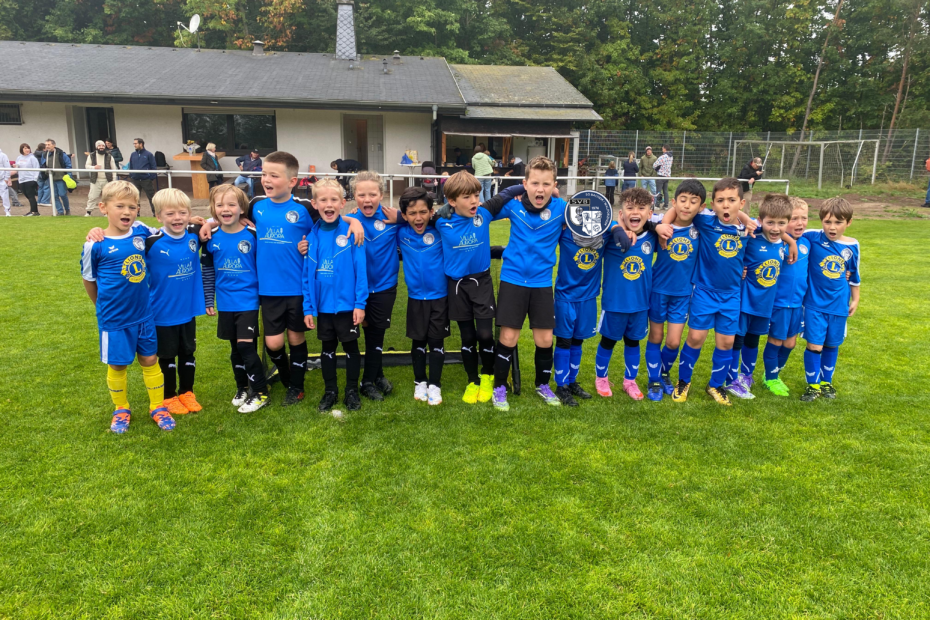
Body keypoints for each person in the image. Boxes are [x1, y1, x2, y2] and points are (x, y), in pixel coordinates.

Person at [202, 151, 363, 407]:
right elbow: (228, 214)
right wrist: (208, 224)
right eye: (264, 174)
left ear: (292, 181)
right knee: (273, 343)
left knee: (296, 338)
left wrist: (354, 221)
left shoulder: (304, 207)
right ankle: (286, 374)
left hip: (297, 287)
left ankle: (296, 387)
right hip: (268, 289)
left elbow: (330, 214)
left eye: (274, 175)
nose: (266, 179)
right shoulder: (256, 205)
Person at [80, 180, 173, 433]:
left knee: (150, 359)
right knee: (118, 364)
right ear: (103, 208)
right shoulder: (95, 244)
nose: (127, 212)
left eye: (132, 207)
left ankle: (158, 407)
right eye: (119, 206)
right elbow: (88, 279)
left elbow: (169, 229)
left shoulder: (141, 231)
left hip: (144, 314)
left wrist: (200, 222)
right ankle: (121, 409)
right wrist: (100, 306)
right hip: (114, 318)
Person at [433, 171, 523, 404]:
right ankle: (472, 380)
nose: (474, 201)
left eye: (476, 194)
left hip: (481, 282)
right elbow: (414, 217)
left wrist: (534, 188)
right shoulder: (440, 220)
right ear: (451, 201)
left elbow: (508, 192)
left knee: (485, 334)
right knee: (468, 336)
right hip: (457, 286)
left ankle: (487, 375)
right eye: (467, 197)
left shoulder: (484, 212)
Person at [662, 178, 755, 406]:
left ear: (741, 203)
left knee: (726, 342)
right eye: (720, 201)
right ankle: (683, 382)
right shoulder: (705, 221)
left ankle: (715, 385)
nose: (726, 205)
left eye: (731, 200)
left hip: (731, 295)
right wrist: (663, 223)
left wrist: (791, 243)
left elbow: (776, 231)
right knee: (695, 338)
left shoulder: (749, 229)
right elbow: (678, 210)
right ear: (712, 205)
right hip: (704, 291)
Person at [488, 156, 568, 411]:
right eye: (534, 183)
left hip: (542, 283)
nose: (540, 189)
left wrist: (619, 229)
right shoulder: (513, 206)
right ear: (525, 184)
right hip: (513, 280)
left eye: (546, 184)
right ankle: (500, 387)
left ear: (554, 185)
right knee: (508, 337)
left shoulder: (562, 208)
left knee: (544, 340)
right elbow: (482, 212)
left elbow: (595, 219)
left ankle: (542, 385)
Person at [134, 188, 206, 416]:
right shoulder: (150, 242)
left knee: (188, 353)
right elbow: (124, 234)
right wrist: (96, 231)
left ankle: (187, 392)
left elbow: (219, 223)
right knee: (166, 356)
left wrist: (206, 222)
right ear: (158, 216)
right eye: (170, 213)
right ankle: (169, 396)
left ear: (189, 214)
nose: (177, 218)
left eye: (183, 213)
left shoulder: (194, 234)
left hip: (188, 310)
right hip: (161, 312)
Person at [552, 202, 632, 406]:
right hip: (565, 296)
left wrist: (617, 227)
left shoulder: (603, 236)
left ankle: (571, 381)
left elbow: (610, 223)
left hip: (588, 297)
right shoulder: (565, 232)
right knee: (564, 342)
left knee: (578, 341)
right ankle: (561, 386)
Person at [200, 184, 268, 413]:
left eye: (231, 204)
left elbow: (264, 267)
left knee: (246, 346)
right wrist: (208, 299)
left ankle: (260, 392)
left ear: (242, 209)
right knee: (235, 349)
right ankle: (242, 388)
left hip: (248, 300)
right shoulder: (210, 238)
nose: (225, 209)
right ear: (213, 209)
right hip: (225, 302)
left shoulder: (253, 234)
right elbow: (208, 272)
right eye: (220, 205)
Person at [303, 178, 369, 412]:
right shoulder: (311, 237)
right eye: (323, 200)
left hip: (347, 306)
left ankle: (351, 391)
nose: (328, 204)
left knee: (351, 348)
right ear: (315, 204)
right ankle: (330, 391)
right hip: (323, 308)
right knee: (327, 349)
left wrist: (360, 304)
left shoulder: (352, 232)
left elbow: (361, 271)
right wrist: (308, 308)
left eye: (334, 200)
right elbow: (306, 276)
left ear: (342, 203)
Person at [725, 194, 793, 400]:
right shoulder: (752, 236)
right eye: (770, 223)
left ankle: (746, 376)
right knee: (737, 340)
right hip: (745, 300)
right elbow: (735, 215)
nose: (775, 228)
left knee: (753, 340)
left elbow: (783, 235)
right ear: (760, 220)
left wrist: (791, 241)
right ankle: (730, 380)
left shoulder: (783, 243)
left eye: (781, 223)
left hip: (764, 303)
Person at [643, 179, 706, 401]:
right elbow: (637, 220)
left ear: (701, 207)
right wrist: (659, 226)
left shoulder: (701, 228)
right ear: (674, 202)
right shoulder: (660, 224)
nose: (687, 206)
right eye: (683, 200)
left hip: (683, 293)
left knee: (673, 342)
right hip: (658, 290)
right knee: (656, 336)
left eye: (693, 202)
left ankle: (663, 373)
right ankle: (654, 380)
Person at [594, 187, 658, 400]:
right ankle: (601, 378)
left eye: (641, 208)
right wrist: (615, 227)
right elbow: (596, 224)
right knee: (608, 342)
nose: (635, 212)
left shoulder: (652, 237)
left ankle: (629, 381)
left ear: (649, 213)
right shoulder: (611, 236)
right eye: (630, 208)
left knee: (633, 343)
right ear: (621, 213)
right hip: (615, 304)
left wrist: (658, 225)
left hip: (640, 304)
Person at [345, 171, 400, 402]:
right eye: (361, 195)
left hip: (385, 287)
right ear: (354, 196)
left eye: (372, 194)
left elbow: (423, 219)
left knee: (377, 334)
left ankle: (368, 381)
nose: (367, 199)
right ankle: (375, 376)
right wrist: (350, 220)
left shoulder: (392, 218)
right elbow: (326, 223)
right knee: (368, 333)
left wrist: (401, 217)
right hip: (359, 289)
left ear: (382, 194)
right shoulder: (349, 220)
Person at [799, 197, 860, 402]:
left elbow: (855, 275)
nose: (832, 227)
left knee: (832, 345)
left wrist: (855, 299)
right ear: (821, 221)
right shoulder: (812, 236)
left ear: (848, 222)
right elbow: (788, 232)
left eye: (838, 222)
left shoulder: (853, 246)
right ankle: (813, 385)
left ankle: (826, 382)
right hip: (814, 304)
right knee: (814, 345)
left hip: (839, 305)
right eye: (827, 222)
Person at [397, 186, 448, 405]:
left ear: (431, 212)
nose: (418, 218)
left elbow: (456, 217)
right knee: (418, 341)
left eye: (423, 212)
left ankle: (435, 385)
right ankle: (420, 381)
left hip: (440, 297)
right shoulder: (400, 233)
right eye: (412, 213)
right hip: (416, 297)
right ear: (404, 215)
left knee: (436, 341)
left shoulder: (440, 230)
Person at [763, 196, 811, 396]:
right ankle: (771, 378)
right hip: (779, 304)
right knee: (775, 341)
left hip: (797, 304)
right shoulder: (775, 243)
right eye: (794, 219)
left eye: (804, 218)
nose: (800, 223)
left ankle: (775, 372)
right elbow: (759, 225)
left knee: (790, 344)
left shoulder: (808, 242)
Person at [84, 140, 119, 216]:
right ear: (96, 147)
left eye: (103, 146)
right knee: (92, 196)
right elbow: (87, 166)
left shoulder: (109, 156)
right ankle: (88, 212)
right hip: (95, 180)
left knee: (107, 197)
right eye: (99, 146)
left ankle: (106, 212)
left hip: (107, 180)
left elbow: (114, 169)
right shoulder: (91, 156)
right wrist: (94, 167)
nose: (101, 147)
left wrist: (113, 180)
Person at [129, 138, 157, 215]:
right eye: (134, 143)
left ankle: (155, 213)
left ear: (141, 144)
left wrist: (151, 177)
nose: (134, 145)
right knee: (135, 198)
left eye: (135, 143)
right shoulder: (133, 154)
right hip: (135, 179)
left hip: (146, 180)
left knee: (151, 197)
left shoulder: (149, 154)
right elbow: (131, 166)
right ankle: (136, 213)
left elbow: (153, 166)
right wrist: (131, 175)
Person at [43, 138, 72, 215]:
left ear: (54, 145)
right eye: (46, 145)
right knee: (54, 196)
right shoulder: (45, 154)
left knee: (62, 194)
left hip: (61, 178)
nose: (47, 146)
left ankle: (67, 210)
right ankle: (60, 211)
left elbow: (68, 164)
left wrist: (69, 175)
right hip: (51, 178)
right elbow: (43, 165)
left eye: (49, 144)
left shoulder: (61, 154)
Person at [15, 143, 40, 216]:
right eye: (25, 148)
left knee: (31, 195)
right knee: (27, 195)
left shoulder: (32, 158)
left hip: (30, 179)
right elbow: (17, 167)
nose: (27, 150)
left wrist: (35, 179)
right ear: (21, 149)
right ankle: (33, 211)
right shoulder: (19, 158)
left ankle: (34, 212)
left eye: (28, 148)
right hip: (22, 179)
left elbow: (37, 168)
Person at [653, 144, 673, 211]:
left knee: (658, 191)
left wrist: (657, 168)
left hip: (661, 175)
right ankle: (666, 205)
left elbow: (654, 165)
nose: (662, 150)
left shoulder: (662, 157)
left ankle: (657, 205)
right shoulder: (671, 157)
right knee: (665, 191)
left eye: (662, 148)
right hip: (667, 176)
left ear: (664, 149)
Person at [0, 146, 11, 217]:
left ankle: (7, 211)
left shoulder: (3, 155)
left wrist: (6, 178)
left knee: (5, 196)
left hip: (2, 180)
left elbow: (7, 167)